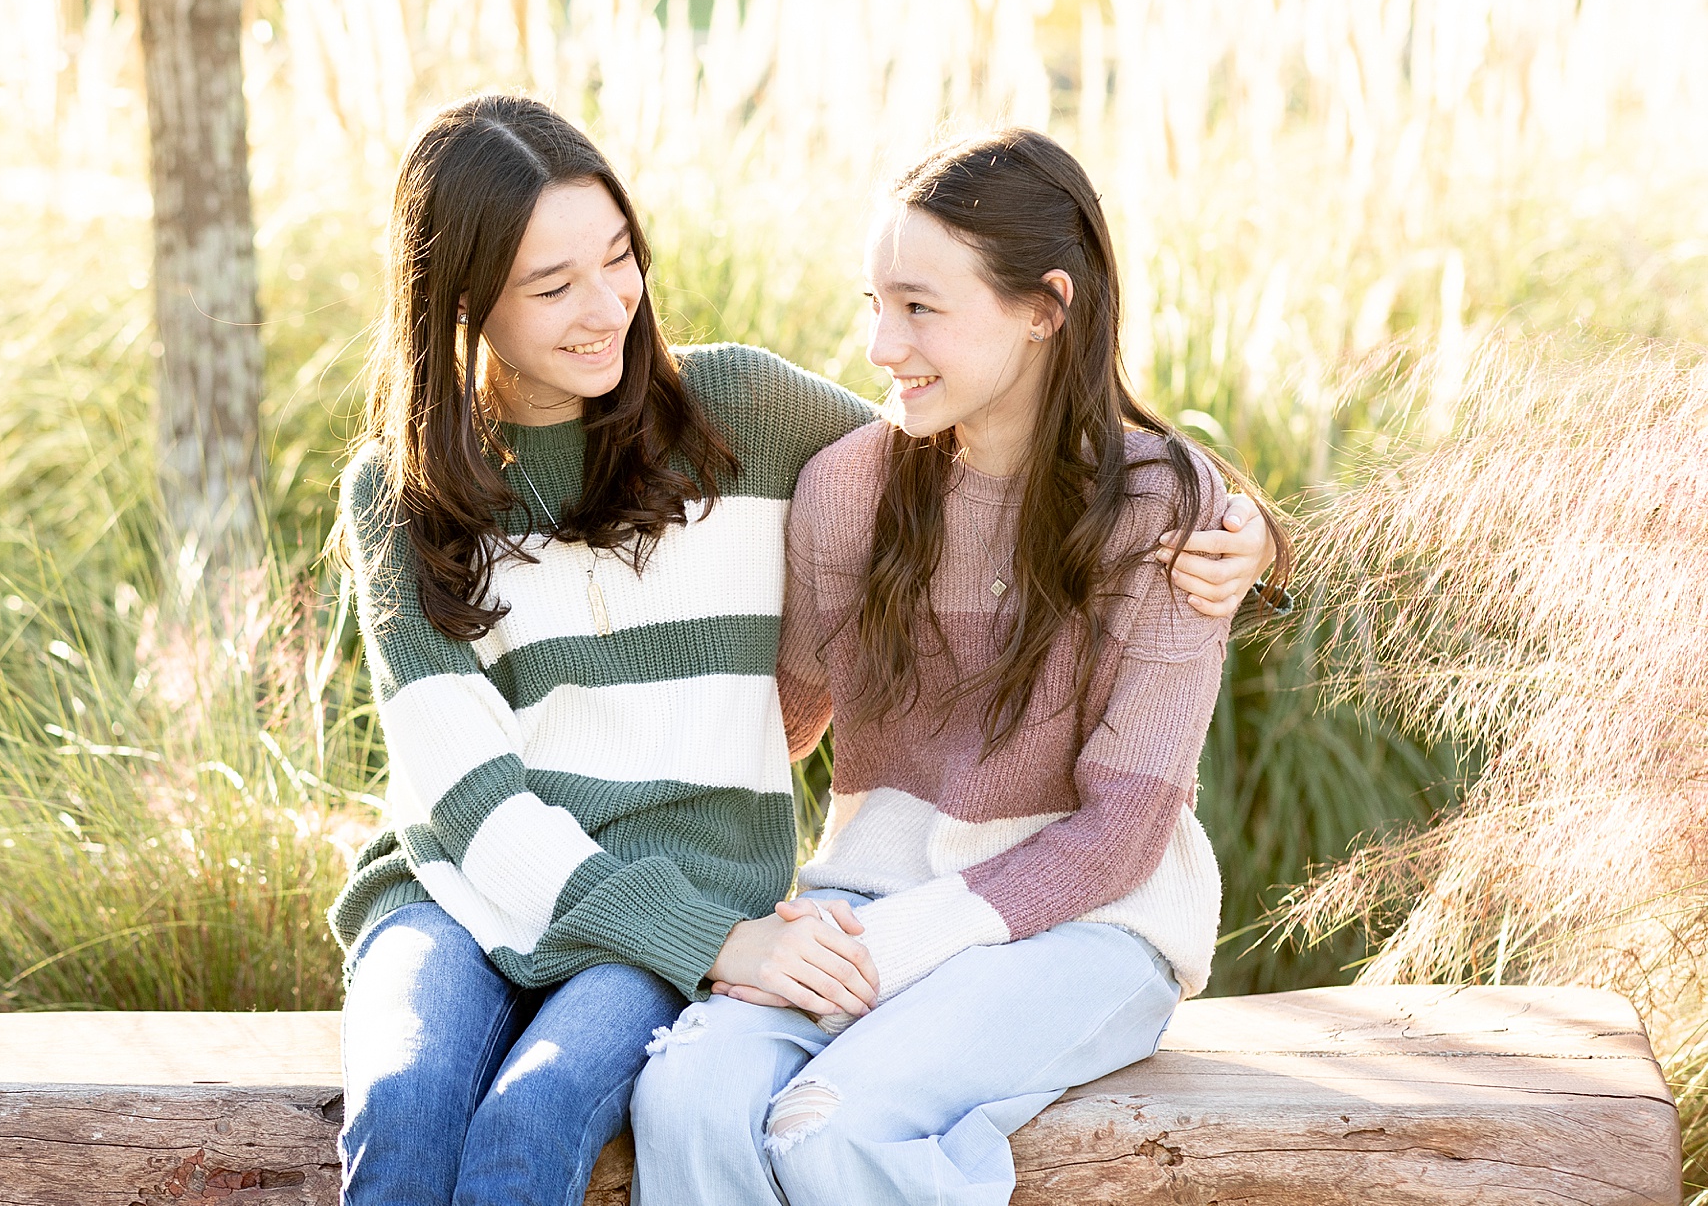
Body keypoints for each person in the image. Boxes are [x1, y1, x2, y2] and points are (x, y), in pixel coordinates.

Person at [326, 95, 1277, 1206]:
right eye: (552, 286)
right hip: (562, 884)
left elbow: (994, 447)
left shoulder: (742, 414)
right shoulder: (408, 496)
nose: (607, 308)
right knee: (520, 1102)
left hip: (868, 902)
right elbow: (507, 794)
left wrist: (1245, 526)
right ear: (461, 301)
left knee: (654, 1125)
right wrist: (724, 925)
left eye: (620, 259)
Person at [629, 127, 1291, 1206]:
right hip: (864, 900)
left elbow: (1119, 834)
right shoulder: (849, 486)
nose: (882, 345)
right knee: (685, 1100)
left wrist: (901, 941)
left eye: (920, 306)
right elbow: (781, 729)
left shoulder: (1165, 510)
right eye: (872, 303)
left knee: (832, 1128)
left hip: (1091, 926)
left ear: (1045, 308)